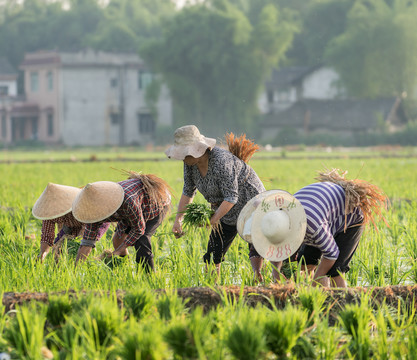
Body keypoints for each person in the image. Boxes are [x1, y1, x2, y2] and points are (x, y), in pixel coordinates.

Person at [239, 168, 388, 287]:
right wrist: (276, 272)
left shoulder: (312, 226)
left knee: (334, 271)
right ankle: (310, 304)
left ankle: (344, 305)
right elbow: (276, 249)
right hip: (323, 211)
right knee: (306, 262)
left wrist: (318, 277)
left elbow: (332, 253)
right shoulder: (276, 219)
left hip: (349, 217)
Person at [165, 125, 266, 277]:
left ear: (198, 150)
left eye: (186, 154)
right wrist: (179, 219)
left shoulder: (221, 161)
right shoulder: (190, 164)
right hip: (224, 207)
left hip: (249, 201)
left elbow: (231, 197)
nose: (184, 158)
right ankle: (212, 284)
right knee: (214, 248)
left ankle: (258, 276)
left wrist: (213, 219)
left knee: (255, 241)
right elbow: (188, 191)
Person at [72, 172, 171, 272]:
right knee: (117, 239)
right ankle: (127, 267)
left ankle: (149, 275)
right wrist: (76, 270)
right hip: (133, 206)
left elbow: (139, 229)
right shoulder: (94, 212)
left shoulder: (127, 201)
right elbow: (87, 243)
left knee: (142, 240)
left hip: (156, 202)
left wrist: (117, 251)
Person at [32, 183, 110, 262]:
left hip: (94, 219)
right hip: (70, 224)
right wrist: (42, 254)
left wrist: (75, 246)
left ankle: (86, 264)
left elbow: (84, 235)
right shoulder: (48, 213)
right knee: (57, 246)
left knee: (82, 246)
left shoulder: (81, 205)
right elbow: (47, 237)